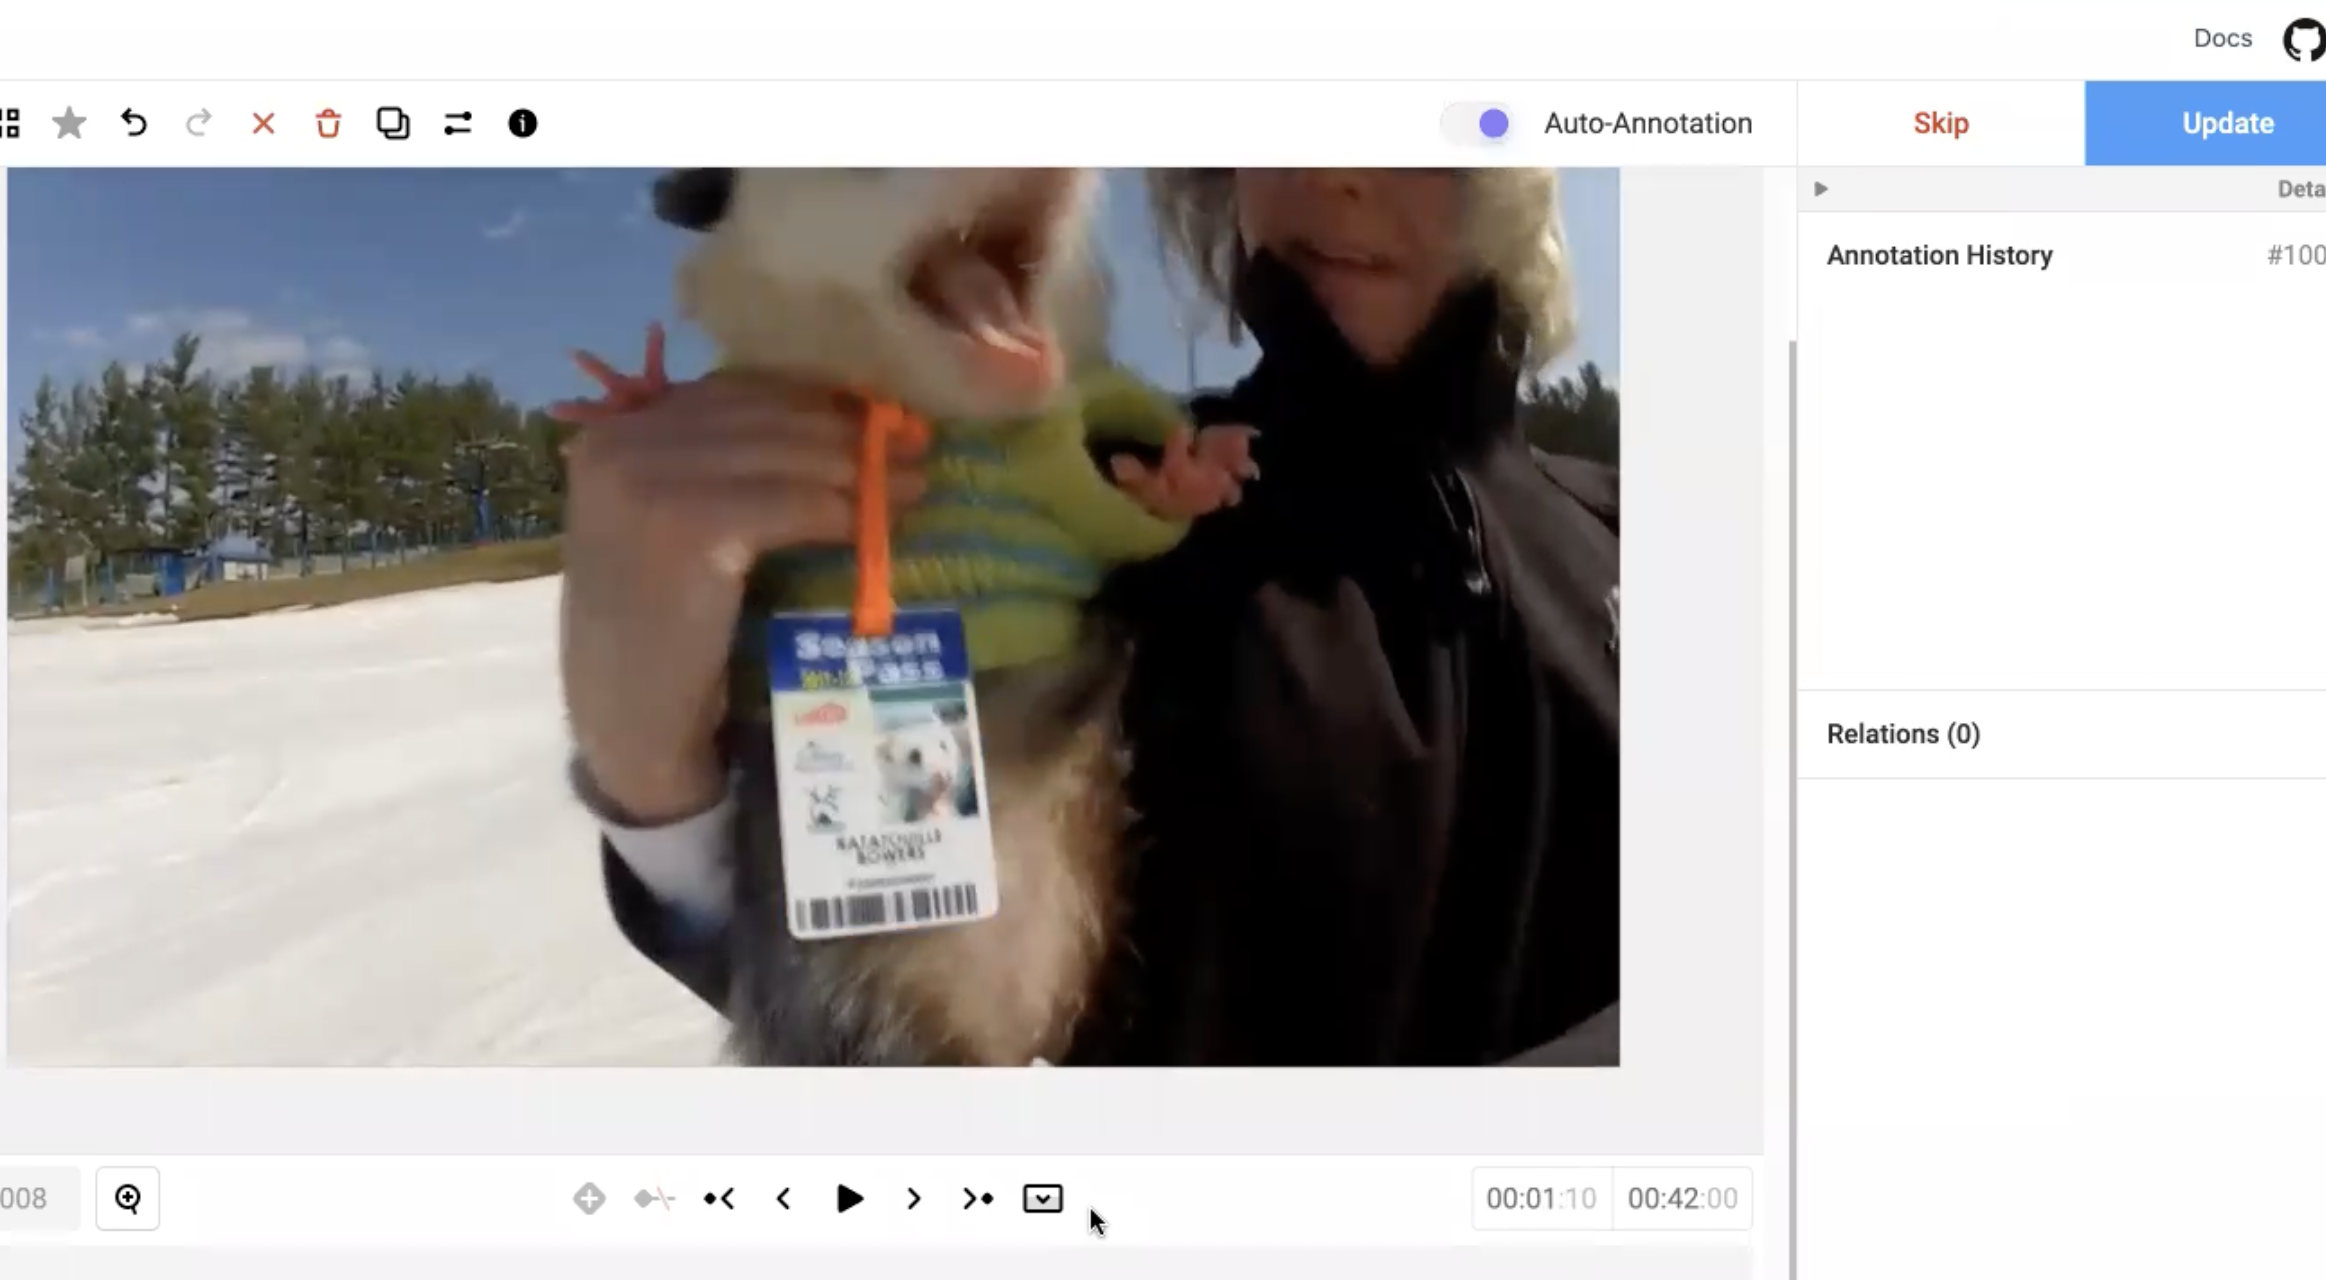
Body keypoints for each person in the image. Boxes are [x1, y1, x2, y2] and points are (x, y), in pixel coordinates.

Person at [558, 168, 1618, 1065]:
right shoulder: (1114, 505)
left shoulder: (1634, 527)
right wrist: (657, 784)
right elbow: (896, 1009)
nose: (1338, 174)